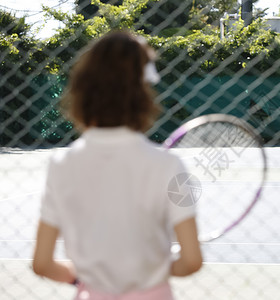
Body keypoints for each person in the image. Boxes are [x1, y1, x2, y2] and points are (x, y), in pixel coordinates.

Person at [32, 31, 202, 300]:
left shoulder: (60, 165)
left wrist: (84, 280)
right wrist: (155, 271)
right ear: (142, 94)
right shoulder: (168, 165)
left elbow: (42, 263)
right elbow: (191, 261)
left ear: (81, 91)